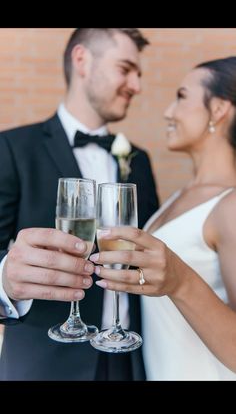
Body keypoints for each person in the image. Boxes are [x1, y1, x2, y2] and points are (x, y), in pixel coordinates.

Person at [0, 28, 159, 380]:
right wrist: (6, 283)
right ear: (82, 60)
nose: (136, 85)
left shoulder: (139, 160)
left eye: (139, 74)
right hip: (45, 366)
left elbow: (146, 263)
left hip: (129, 361)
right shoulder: (12, 148)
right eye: (125, 69)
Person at [90, 56, 236, 380]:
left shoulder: (231, 205)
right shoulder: (177, 196)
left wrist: (180, 281)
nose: (168, 112)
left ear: (218, 110)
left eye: (181, 97)